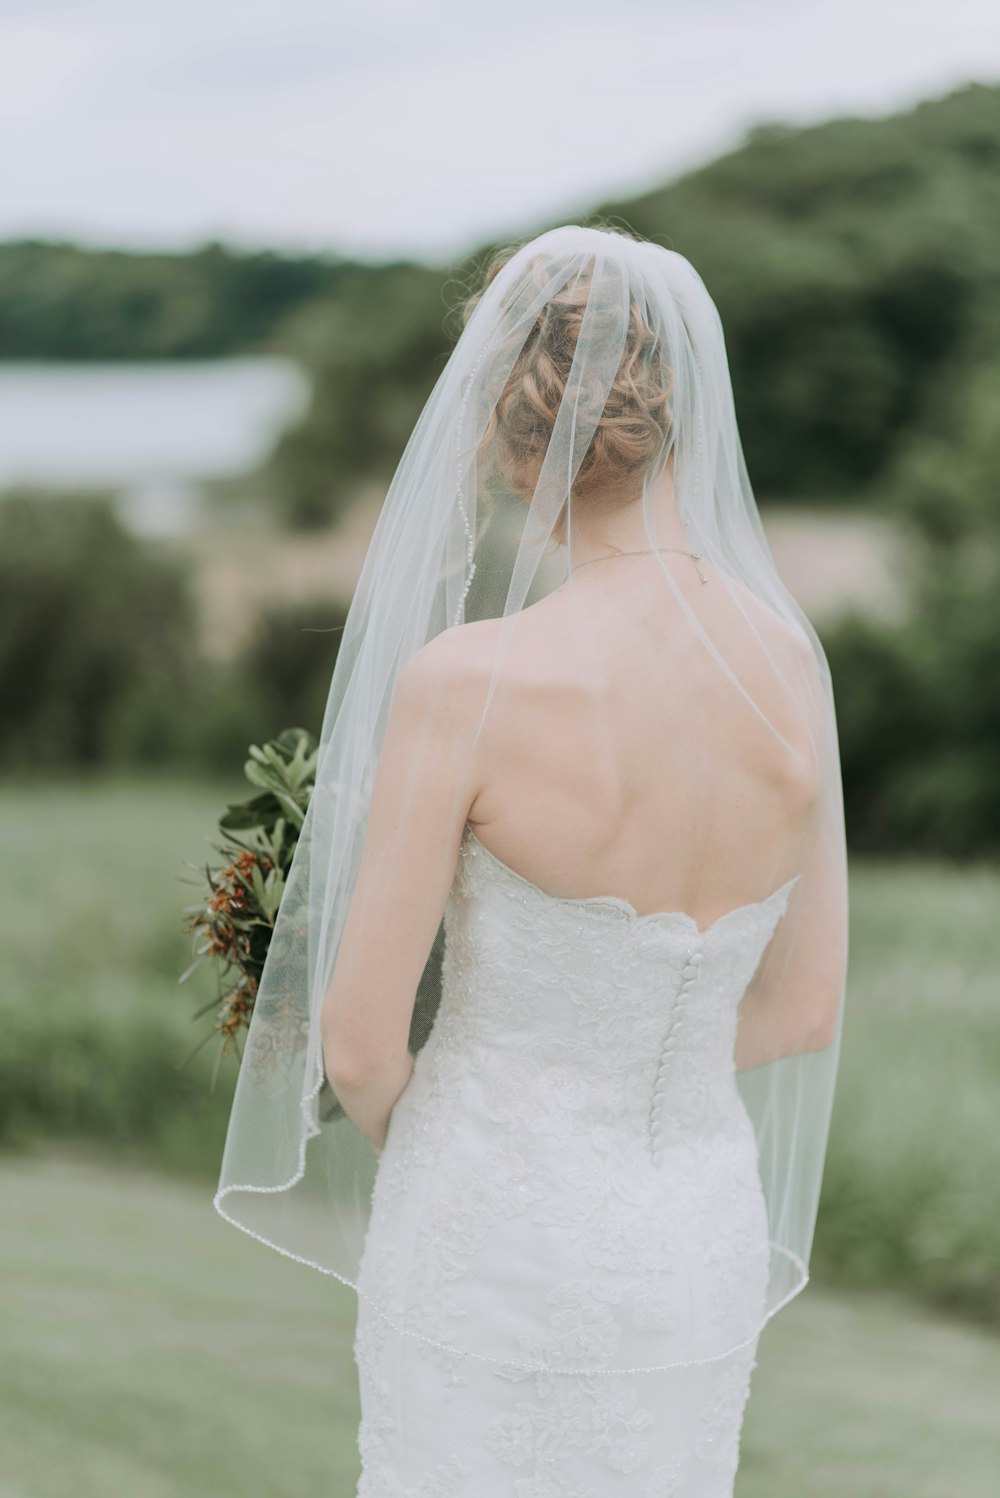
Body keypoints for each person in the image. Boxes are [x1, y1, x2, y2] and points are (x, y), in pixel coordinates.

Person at [213, 224, 848, 1497]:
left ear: (512, 434)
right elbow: (800, 1006)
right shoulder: (790, 668)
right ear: (677, 420)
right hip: (692, 1240)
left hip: (490, 1230)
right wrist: (616, 1075)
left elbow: (358, 1044)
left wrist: (509, 1118)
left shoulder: (472, 683)